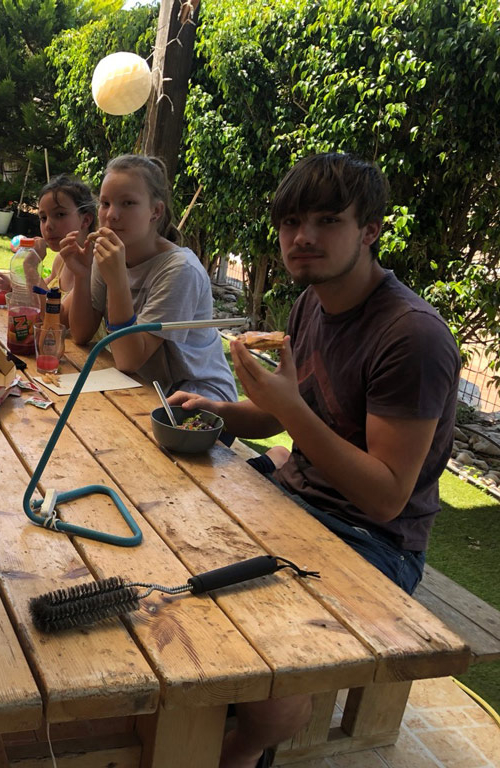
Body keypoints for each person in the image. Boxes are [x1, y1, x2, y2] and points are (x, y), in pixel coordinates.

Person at [170, 153, 461, 768]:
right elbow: (283, 418)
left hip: (375, 540)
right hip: (298, 496)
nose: (303, 238)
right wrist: (215, 412)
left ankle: (244, 748)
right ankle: (189, 714)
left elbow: (385, 496)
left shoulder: (412, 336)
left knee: (274, 668)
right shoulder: (310, 305)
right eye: (292, 222)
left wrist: (285, 409)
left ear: (370, 229)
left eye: (328, 220)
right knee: (166, 530)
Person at [60, 154, 237, 402]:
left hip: (201, 401)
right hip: (144, 391)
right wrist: (82, 275)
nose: (111, 215)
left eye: (128, 203)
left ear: (155, 211)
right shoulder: (109, 255)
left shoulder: (180, 269)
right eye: (105, 203)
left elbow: (128, 359)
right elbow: (81, 334)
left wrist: (118, 280)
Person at [0, 174, 97, 296]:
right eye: (43, 218)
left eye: (60, 214)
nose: (48, 225)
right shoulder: (61, 260)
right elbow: (44, 289)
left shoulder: (93, 266)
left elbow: (56, 311)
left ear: (85, 220)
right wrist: (12, 288)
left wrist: (30, 267)